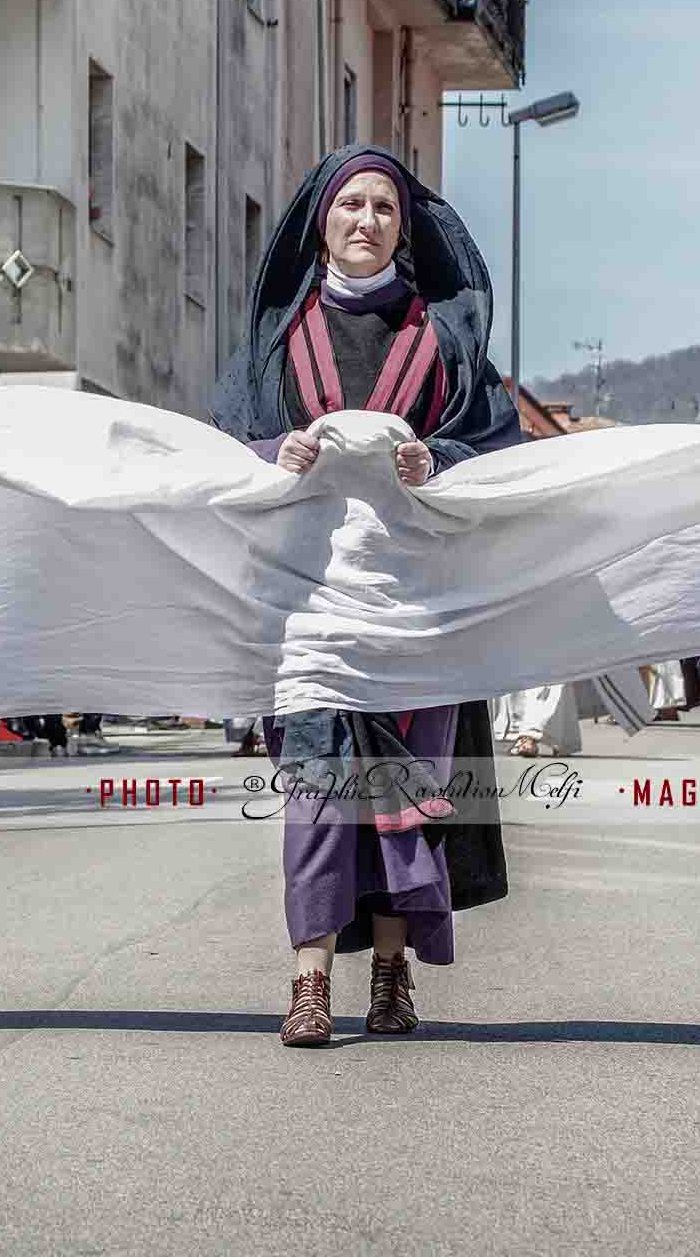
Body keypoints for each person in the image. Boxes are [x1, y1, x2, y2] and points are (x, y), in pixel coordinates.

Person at [212, 145, 519, 1048]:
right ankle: (309, 983)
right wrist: (278, 456)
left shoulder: (442, 337)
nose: (367, 221)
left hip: (410, 599)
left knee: (404, 789)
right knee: (313, 789)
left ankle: (391, 976)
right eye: (351, 204)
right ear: (322, 221)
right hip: (305, 601)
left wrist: (442, 461)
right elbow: (227, 442)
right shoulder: (277, 338)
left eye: (384, 207)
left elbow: (495, 446)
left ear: (403, 226)